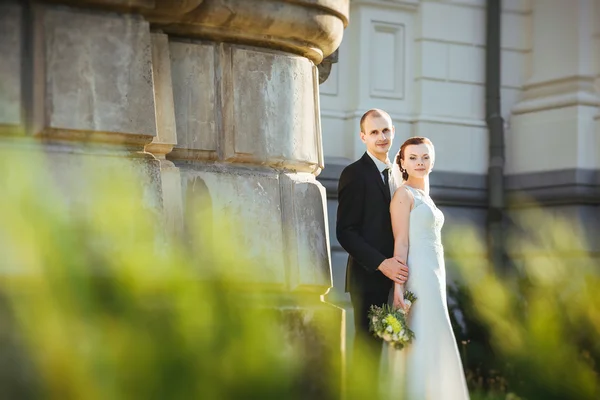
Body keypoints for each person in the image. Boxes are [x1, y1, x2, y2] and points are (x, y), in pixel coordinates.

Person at [382, 136, 469, 399]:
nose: (419, 162)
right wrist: (399, 287)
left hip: (434, 276)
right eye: (413, 158)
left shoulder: (425, 197)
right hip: (417, 277)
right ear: (403, 163)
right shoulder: (403, 195)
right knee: (420, 331)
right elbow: (401, 243)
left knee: (434, 330)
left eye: (425, 157)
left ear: (432, 161)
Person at [336, 109, 409, 379]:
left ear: (393, 132)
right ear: (363, 136)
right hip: (369, 280)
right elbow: (345, 232)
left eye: (386, 130)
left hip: (400, 279)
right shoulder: (354, 174)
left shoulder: (399, 176)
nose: (381, 137)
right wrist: (382, 264)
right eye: (374, 132)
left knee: (394, 355)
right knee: (368, 353)